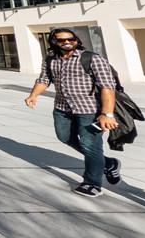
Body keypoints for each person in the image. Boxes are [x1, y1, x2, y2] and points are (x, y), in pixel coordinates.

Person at [24, 28, 121, 197]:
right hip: (62, 108)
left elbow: (107, 86)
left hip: (89, 110)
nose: (67, 42)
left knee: (90, 146)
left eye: (71, 39)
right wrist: (33, 95)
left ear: (76, 40)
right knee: (64, 137)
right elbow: (44, 79)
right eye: (62, 40)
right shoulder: (50, 59)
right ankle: (108, 163)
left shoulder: (92, 59)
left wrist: (107, 113)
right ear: (54, 42)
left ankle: (92, 183)